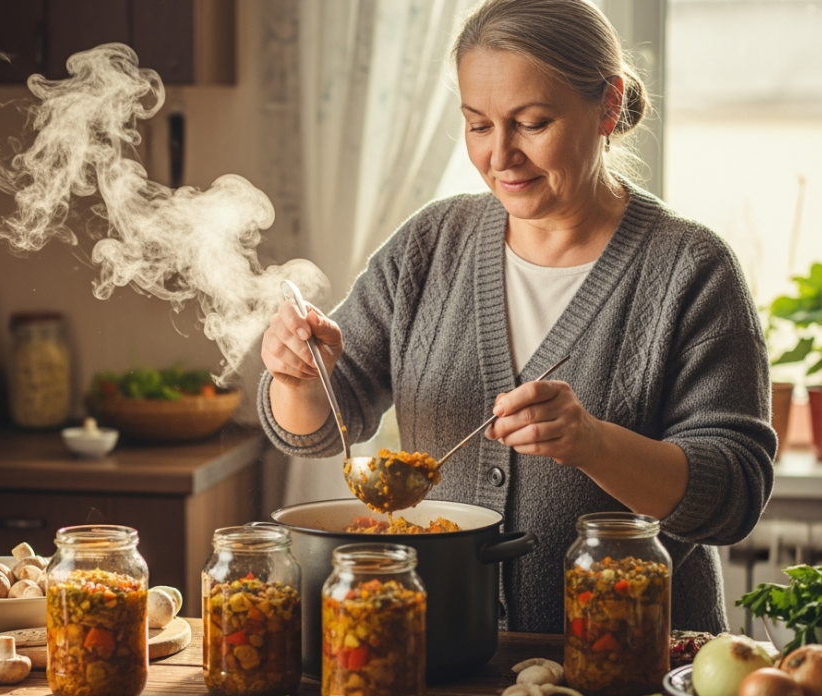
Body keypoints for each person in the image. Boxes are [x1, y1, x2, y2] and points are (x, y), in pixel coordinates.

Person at [258, 0, 775, 634]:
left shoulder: (690, 269)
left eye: (531, 123)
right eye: (478, 125)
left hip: (635, 656)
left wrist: (592, 442)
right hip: (446, 650)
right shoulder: (432, 244)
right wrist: (297, 376)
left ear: (608, 105)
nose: (500, 156)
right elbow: (314, 428)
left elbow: (733, 498)